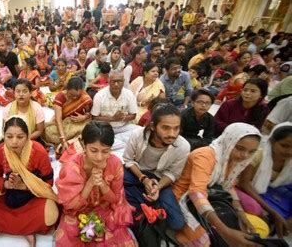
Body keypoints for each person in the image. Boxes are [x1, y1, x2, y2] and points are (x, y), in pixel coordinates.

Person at [0, 117, 58, 247]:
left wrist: (24, 186)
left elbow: (48, 183)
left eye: (20, 137)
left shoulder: (39, 151)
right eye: (9, 137)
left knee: (52, 214)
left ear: (27, 136)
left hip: (34, 197)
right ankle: (26, 229)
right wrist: (7, 184)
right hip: (9, 194)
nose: (14, 142)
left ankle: (6, 226)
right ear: (4, 136)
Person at [172, 123, 268, 246]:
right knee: (205, 241)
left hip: (209, 198)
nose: (245, 156)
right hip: (183, 199)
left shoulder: (230, 159)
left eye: (251, 152)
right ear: (228, 141)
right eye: (239, 148)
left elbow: (229, 187)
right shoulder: (205, 156)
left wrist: (242, 217)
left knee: (259, 229)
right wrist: (225, 231)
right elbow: (196, 193)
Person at [55, 121, 136, 246]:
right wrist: (90, 183)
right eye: (93, 150)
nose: (99, 157)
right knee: (70, 236)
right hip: (77, 212)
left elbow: (115, 199)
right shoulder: (72, 167)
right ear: (83, 145)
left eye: (105, 151)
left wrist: (102, 184)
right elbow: (70, 206)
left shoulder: (115, 164)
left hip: (104, 208)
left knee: (114, 233)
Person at [123, 103, 189, 231]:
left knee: (177, 223)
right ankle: (146, 202)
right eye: (166, 128)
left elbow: (172, 174)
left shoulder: (183, 146)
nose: (172, 134)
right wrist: (144, 179)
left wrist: (157, 188)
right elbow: (128, 160)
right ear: (153, 126)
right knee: (112, 177)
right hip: (137, 173)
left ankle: (142, 201)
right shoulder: (137, 135)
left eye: (176, 128)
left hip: (160, 179)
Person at [238, 122, 292, 238]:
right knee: (257, 210)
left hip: (271, 192)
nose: (289, 151)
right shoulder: (258, 155)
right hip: (247, 190)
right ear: (272, 142)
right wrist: (273, 212)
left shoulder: (290, 162)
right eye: (284, 146)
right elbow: (244, 184)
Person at [44, 77, 92, 150]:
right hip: (63, 123)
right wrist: (62, 138)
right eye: (71, 95)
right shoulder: (60, 97)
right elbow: (58, 119)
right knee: (48, 131)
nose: (75, 98)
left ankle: (71, 141)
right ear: (67, 90)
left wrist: (84, 117)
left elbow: (89, 112)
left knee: (88, 129)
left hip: (78, 124)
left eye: (77, 96)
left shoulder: (84, 96)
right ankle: (72, 141)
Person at [91, 71, 139, 138]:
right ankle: (120, 140)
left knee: (141, 131)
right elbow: (94, 117)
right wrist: (113, 118)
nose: (116, 84)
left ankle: (117, 139)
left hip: (124, 127)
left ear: (123, 81)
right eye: (113, 81)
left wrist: (122, 118)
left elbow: (133, 115)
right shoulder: (100, 96)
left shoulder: (129, 94)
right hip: (105, 128)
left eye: (119, 81)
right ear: (109, 81)